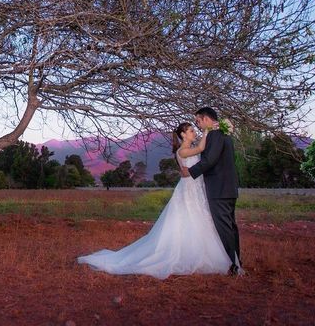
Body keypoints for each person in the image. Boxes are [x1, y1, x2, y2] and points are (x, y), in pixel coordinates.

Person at [77, 122, 232, 279]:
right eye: (191, 131)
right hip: (188, 190)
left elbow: (202, 152)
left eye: (194, 130)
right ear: (183, 134)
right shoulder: (183, 150)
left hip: (196, 188)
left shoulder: (190, 147)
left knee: (198, 218)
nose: (194, 133)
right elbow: (200, 149)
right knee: (187, 218)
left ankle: (200, 251)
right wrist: (207, 131)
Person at [188, 107, 243, 276]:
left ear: (206, 119)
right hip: (229, 187)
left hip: (219, 188)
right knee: (231, 227)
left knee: (224, 227)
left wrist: (189, 173)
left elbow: (210, 160)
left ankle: (233, 265)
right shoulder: (224, 134)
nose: (197, 125)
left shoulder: (215, 135)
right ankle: (236, 261)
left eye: (198, 121)